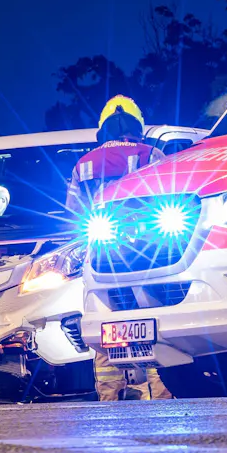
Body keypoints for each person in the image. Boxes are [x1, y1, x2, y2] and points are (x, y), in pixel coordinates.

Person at [72, 95, 173, 402]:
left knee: (107, 327)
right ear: (137, 126)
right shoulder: (151, 153)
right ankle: (163, 394)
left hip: (102, 258)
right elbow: (172, 194)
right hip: (152, 255)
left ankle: (110, 396)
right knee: (159, 325)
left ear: (103, 129)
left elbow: (73, 213)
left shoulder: (83, 163)